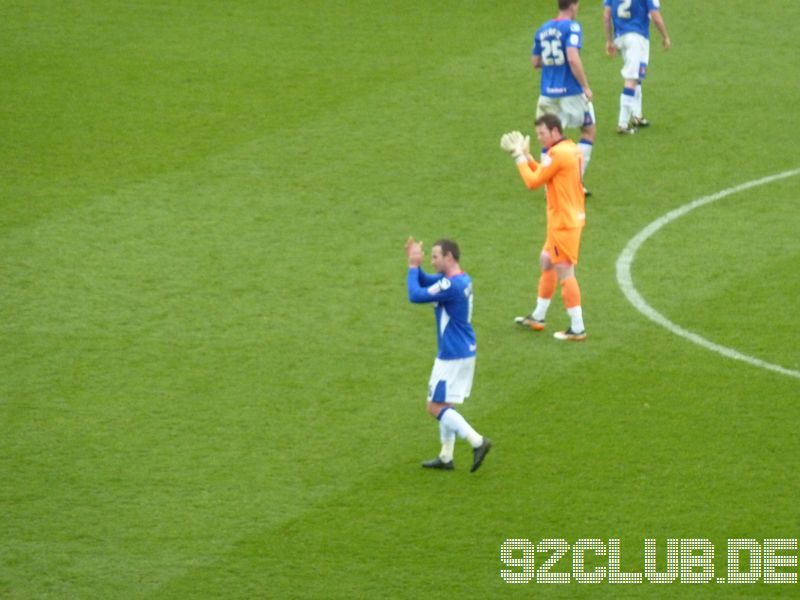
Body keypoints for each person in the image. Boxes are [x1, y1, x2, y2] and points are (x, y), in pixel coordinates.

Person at [405, 237, 492, 472]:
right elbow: (427, 281)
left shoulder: (449, 286)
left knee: (434, 407)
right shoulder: (460, 280)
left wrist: (413, 265)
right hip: (463, 350)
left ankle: (477, 441)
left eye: (435, 257)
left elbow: (415, 294)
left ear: (449, 257)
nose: (432, 261)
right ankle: (446, 457)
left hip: (452, 354)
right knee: (445, 404)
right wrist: (414, 262)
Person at [500, 114, 587, 341]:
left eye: (542, 134)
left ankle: (577, 328)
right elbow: (545, 173)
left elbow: (532, 182)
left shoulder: (557, 154)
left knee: (565, 270)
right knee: (546, 260)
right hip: (566, 218)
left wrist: (519, 156)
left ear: (555, 131)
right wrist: (529, 157)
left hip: (563, 223)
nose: (539, 138)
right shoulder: (570, 148)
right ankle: (538, 316)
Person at [531, 0, 596, 194]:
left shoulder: (542, 29)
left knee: (548, 139)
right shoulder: (572, 27)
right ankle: (574, 183)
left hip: (547, 93)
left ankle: (548, 185)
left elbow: (535, 62)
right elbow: (572, 58)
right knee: (588, 130)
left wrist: (553, 65)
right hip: (570, 92)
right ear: (573, 5)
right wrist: (585, 86)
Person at [603, 0, 671, 134]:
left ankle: (637, 115)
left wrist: (609, 40)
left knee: (637, 76)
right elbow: (655, 16)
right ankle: (622, 124)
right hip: (637, 39)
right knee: (632, 79)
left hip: (620, 38)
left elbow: (606, 16)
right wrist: (665, 36)